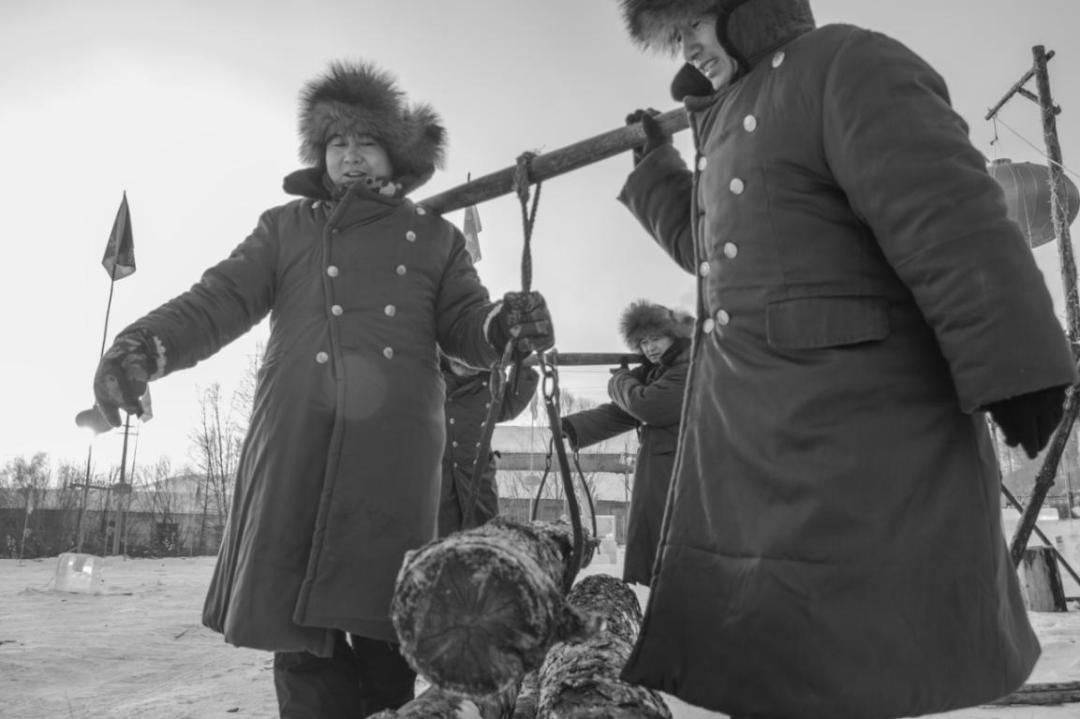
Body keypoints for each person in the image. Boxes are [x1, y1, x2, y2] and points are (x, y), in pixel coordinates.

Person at [612, 2, 1078, 718]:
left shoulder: (844, 65)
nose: (688, 48)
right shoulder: (728, 122)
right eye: (674, 37)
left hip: (855, 436)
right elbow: (718, 254)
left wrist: (1016, 364)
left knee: (850, 663)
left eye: (695, 22)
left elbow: (945, 209)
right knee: (774, 667)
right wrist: (657, 167)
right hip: (755, 443)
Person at [87, 59, 554, 719]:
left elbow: (465, 329)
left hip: (391, 461)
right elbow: (215, 301)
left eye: (366, 142)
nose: (352, 156)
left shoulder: (436, 239)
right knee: (303, 644)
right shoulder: (286, 228)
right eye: (337, 143)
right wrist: (142, 345)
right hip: (299, 446)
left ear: (393, 153)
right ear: (320, 153)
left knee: (383, 639)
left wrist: (503, 325)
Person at [561, 300, 692, 586]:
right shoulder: (660, 373)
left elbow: (646, 406)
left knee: (677, 555)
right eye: (643, 342)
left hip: (682, 473)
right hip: (664, 469)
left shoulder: (690, 367)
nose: (650, 348)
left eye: (656, 338)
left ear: (674, 335)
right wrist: (572, 427)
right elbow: (624, 412)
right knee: (662, 554)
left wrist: (619, 381)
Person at [438, 353, 540, 536]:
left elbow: (508, 405)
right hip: (439, 479)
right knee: (438, 539)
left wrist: (523, 371)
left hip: (477, 479)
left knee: (482, 538)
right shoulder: (429, 377)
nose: (466, 366)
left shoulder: (491, 385)